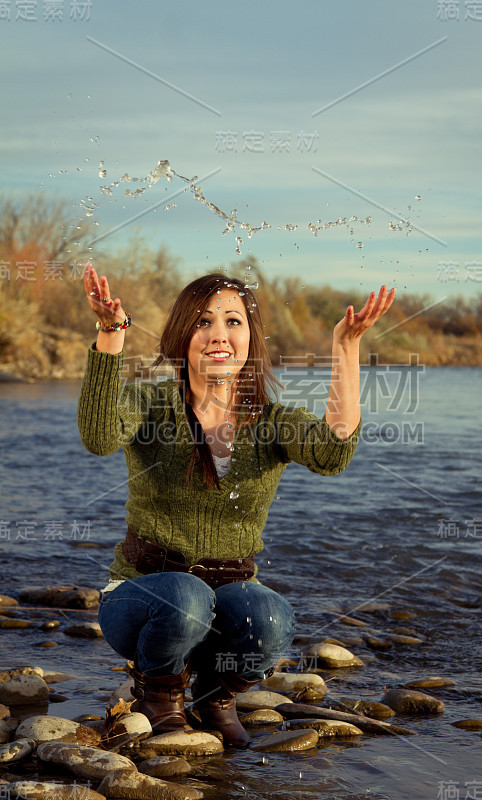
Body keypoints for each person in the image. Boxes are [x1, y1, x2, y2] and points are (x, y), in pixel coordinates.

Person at [78, 263, 395, 747]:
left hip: (224, 600)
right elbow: (99, 437)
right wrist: (110, 333)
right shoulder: (153, 403)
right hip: (141, 600)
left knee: (271, 616)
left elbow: (332, 453)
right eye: (203, 321)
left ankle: (215, 694)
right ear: (183, 334)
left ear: (252, 337)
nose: (218, 334)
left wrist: (346, 347)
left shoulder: (270, 420)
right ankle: (158, 693)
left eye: (233, 321)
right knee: (186, 597)